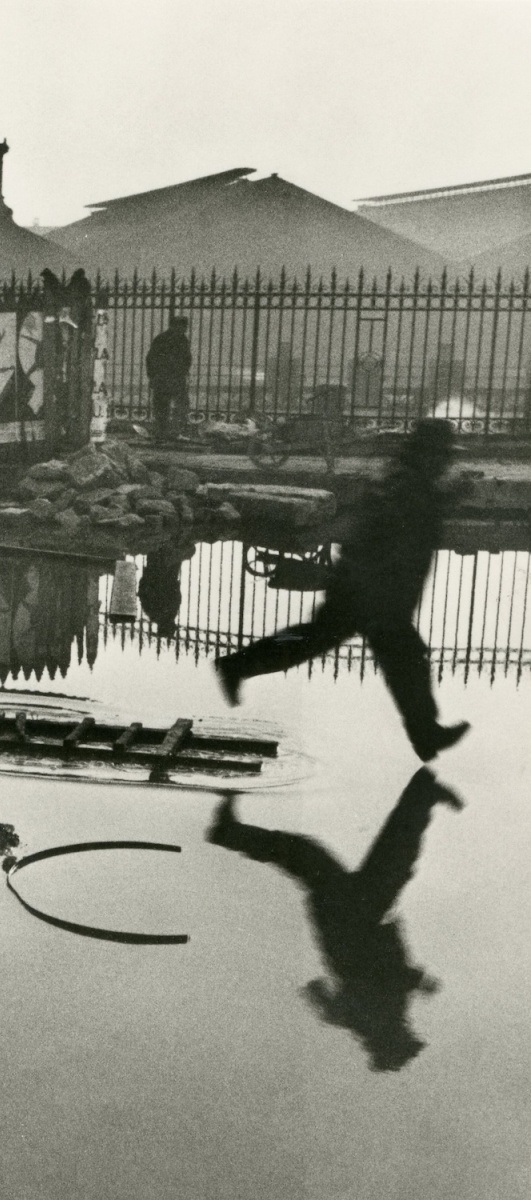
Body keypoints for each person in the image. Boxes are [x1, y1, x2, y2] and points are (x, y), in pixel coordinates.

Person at [214, 419, 470, 762]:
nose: (445, 462)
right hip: (373, 592)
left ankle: (236, 666)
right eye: (442, 455)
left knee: (321, 641)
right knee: (402, 658)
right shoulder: (405, 484)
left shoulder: (410, 480)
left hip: (370, 589)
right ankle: (425, 734)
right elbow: (378, 523)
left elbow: (411, 513)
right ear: (429, 454)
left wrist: (449, 496)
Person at [207, 769, 462, 1071]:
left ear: (393, 1038)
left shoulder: (378, 1017)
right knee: (388, 856)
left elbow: (381, 980)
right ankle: (423, 793)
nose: (410, 1030)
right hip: (357, 918)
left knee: (346, 857)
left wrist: (418, 981)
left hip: (350, 921)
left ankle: (227, 832)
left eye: (407, 1037)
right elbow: (332, 997)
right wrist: (327, 1001)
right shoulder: (370, 1019)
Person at [145, 316, 192, 441]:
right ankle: (172, 432)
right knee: (176, 406)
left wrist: (152, 376)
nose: (185, 329)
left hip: (165, 378)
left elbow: (150, 359)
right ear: (176, 326)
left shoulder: (162, 338)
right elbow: (187, 359)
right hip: (171, 378)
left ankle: (163, 432)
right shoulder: (181, 340)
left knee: (163, 407)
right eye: (183, 326)